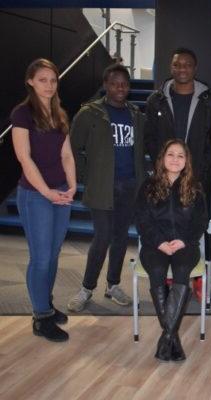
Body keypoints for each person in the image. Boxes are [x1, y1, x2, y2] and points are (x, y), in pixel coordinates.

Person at [67, 64, 146, 312]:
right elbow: (73, 149)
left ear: (129, 87)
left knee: (121, 238)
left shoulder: (136, 115)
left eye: (124, 83)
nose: (119, 88)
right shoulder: (89, 114)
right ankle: (86, 288)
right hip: (102, 187)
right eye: (114, 83)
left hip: (129, 186)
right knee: (102, 237)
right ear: (105, 85)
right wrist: (87, 176)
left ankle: (113, 286)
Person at [11, 58, 76, 342]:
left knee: (53, 253)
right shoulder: (22, 114)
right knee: (41, 258)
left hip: (60, 191)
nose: (49, 85)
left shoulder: (59, 113)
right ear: (30, 81)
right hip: (35, 195)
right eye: (42, 80)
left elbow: (67, 155)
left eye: (53, 80)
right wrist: (47, 192)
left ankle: (46, 305)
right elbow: (24, 158)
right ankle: (41, 318)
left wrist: (72, 185)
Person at [135, 139, 208, 362]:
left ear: (186, 161)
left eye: (180, 156)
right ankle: (171, 337)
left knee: (182, 270)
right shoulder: (148, 186)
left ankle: (166, 336)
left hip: (185, 245)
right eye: (171, 154)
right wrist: (159, 242)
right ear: (162, 158)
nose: (175, 159)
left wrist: (184, 240)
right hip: (154, 244)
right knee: (156, 270)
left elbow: (201, 221)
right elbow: (142, 220)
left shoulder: (195, 187)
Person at [144, 47, 211, 200]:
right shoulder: (156, 101)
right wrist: (161, 165)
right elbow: (149, 137)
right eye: (177, 65)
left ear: (195, 68)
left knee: (194, 221)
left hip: (197, 178)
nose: (182, 69)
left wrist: (201, 167)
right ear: (171, 68)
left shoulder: (209, 102)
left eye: (187, 65)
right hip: (165, 177)